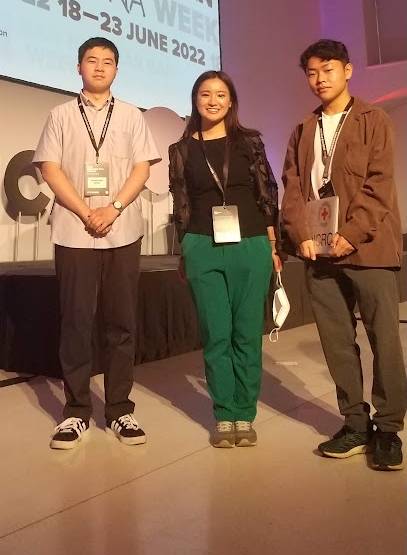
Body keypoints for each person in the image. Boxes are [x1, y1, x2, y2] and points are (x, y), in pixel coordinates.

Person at [281, 39, 406, 471]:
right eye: (312, 72)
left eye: (328, 69)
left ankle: (388, 429)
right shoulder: (303, 129)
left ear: (347, 71)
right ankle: (355, 424)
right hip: (319, 252)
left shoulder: (374, 120)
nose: (320, 79)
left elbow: (379, 185)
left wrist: (350, 235)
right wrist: (301, 235)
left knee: (384, 340)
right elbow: (293, 189)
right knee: (336, 342)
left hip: (369, 248)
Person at [33, 37, 160, 449]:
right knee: (76, 323)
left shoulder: (131, 115)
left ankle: (120, 409)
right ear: (79, 67)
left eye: (108, 61)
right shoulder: (60, 115)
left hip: (122, 231)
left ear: (117, 70)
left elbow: (142, 169)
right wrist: (85, 211)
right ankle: (75, 411)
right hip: (74, 231)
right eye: (92, 60)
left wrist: (114, 207)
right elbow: (50, 169)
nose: (100, 67)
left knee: (122, 324)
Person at [169, 70, 282, 448]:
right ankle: (224, 414)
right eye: (205, 94)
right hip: (202, 245)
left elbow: (267, 193)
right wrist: (184, 249)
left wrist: (273, 246)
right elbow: (181, 202)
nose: (213, 100)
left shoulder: (249, 142)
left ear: (231, 101)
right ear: (195, 100)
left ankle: (244, 413)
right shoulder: (181, 150)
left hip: (251, 243)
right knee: (216, 334)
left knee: (246, 334)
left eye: (220, 94)